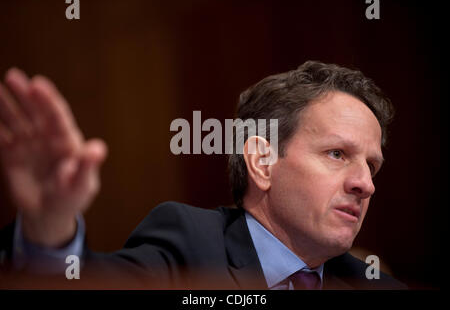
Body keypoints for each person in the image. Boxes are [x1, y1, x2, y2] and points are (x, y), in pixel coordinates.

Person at [0, 61, 406, 289]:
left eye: (372, 166)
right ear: (262, 163)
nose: (365, 184)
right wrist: (49, 224)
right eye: (337, 154)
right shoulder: (189, 245)